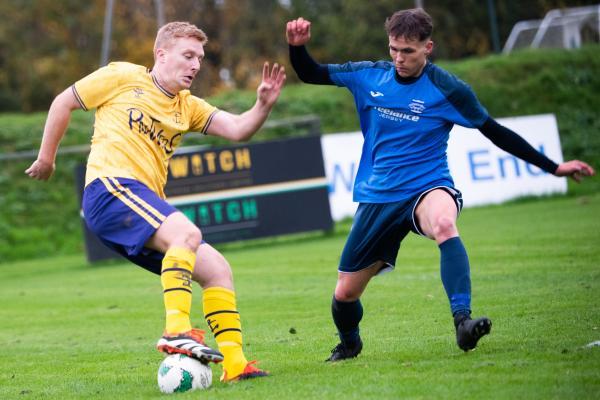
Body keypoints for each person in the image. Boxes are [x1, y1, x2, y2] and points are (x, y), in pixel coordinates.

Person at [286, 10, 595, 361]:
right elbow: (311, 73)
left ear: (427, 47)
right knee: (344, 295)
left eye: (408, 51)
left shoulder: (448, 89)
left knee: (445, 224)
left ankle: (462, 322)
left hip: (427, 186)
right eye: (394, 50)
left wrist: (553, 166)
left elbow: (495, 132)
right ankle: (350, 343)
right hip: (378, 197)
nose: (399, 58)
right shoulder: (368, 75)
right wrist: (297, 48)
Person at [26, 21, 286, 381]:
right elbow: (63, 102)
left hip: (136, 204)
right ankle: (176, 330)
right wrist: (46, 158)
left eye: (200, 58)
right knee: (187, 234)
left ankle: (235, 364)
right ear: (160, 54)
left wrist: (262, 105)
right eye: (188, 55)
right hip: (109, 189)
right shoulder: (122, 75)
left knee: (216, 270)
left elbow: (239, 129)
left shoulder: (187, 107)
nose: (196, 65)